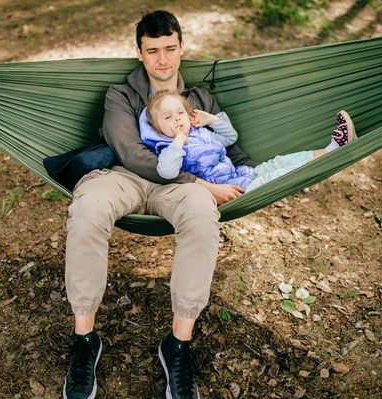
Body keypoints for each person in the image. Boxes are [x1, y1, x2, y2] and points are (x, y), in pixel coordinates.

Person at [63, 10, 280, 399]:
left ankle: (178, 346)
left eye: (170, 49)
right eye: (152, 51)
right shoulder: (121, 95)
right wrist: (197, 181)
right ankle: (84, 341)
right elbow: (129, 153)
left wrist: (251, 178)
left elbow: (230, 150)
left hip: (181, 188)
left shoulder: (200, 99)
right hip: (125, 177)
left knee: (201, 215)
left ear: (181, 49)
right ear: (139, 53)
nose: (162, 60)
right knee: (87, 210)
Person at [140, 90, 356, 192]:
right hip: (231, 190)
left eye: (180, 112)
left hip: (241, 174)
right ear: (157, 128)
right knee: (277, 176)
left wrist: (211, 120)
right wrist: (178, 141)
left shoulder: (200, 133)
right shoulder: (168, 148)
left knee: (277, 163)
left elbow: (229, 138)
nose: (177, 118)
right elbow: (167, 171)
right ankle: (335, 151)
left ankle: (333, 148)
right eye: (167, 117)